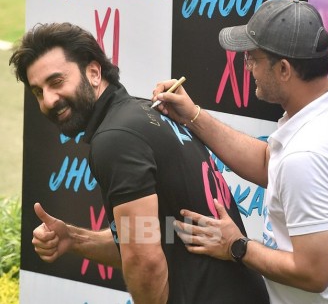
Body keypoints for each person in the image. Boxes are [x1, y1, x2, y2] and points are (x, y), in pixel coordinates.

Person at [152, 0, 328, 304]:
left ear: (284, 69)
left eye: (253, 59)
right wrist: (193, 116)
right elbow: (271, 162)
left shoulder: (306, 157)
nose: (248, 68)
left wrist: (237, 246)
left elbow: (314, 273)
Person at [9, 22, 270, 304]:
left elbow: (145, 262)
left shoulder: (116, 140)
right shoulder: (142, 112)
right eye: (38, 92)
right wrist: (74, 238)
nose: (48, 100)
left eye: (57, 82)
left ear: (94, 72)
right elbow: (159, 233)